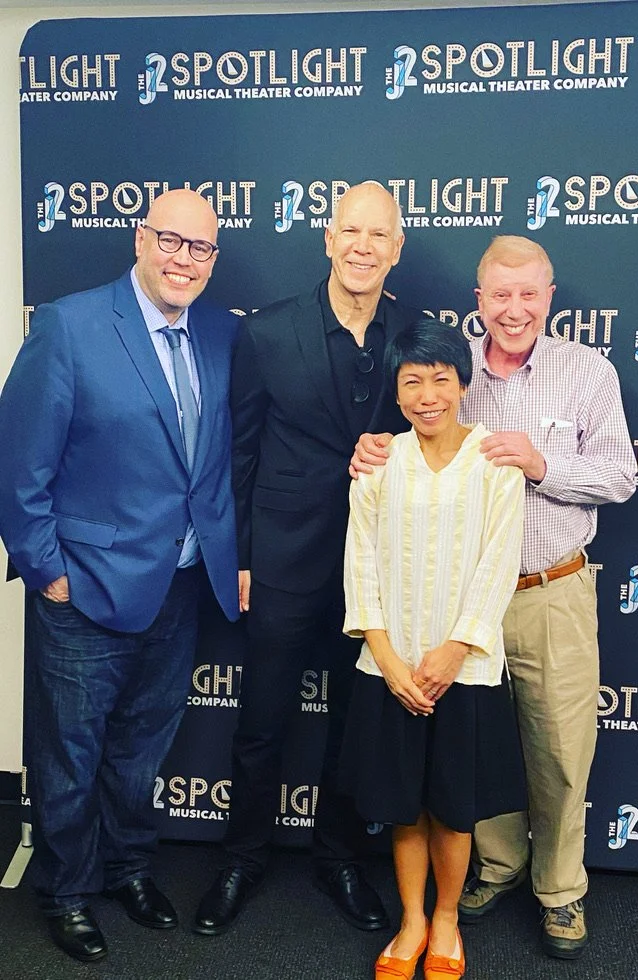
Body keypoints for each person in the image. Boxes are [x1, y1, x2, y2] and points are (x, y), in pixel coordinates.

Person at [351, 235, 637, 960]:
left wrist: (540, 463)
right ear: (478, 299)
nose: (513, 310)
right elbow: (412, 433)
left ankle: (559, 891)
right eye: (498, 295)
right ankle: (497, 869)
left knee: (560, 749)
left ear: (548, 295)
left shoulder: (585, 372)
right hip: (447, 602)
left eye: (528, 294)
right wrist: (371, 450)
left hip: (546, 589)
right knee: (472, 751)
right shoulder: (456, 370)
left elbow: (619, 477)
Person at [0, 189, 240, 962]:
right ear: (141, 239)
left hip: (180, 583)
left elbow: (212, 462)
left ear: (212, 258)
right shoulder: (70, 326)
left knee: (142, 751)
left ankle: (128, 868)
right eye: (170, 240)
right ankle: (67, 891)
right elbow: (20, 467)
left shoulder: (218, 333)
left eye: (199, 247)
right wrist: (47, 574)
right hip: (85, 588)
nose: (183, 259)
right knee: (70, 755)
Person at [193, 181, 422, 936]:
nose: (362, 246)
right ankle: (242, 857)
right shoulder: (266, 332)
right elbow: (241, 451)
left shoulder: (413, 335)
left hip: (378, 568)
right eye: (349, 231)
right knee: (263, 720)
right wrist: (244, 558)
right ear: (326, 239)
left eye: (378, 235)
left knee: (357, 723)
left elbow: (432, 448)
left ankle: (339, 858)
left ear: (397, 248)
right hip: (285, 559)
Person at [340, 321, 526, 980]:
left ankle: (446, 918)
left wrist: (454, 649)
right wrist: (388, 659)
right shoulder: (379, 461)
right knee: (403, 804)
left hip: (463, 671)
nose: (426, 394)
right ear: (395, 392)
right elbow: (359, 560)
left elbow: (497, 562)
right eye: (411, 381)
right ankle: (412, 919)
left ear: (463, 384)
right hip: (388, 668)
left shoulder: (494, 463)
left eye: (439, 379)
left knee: (452, 806)